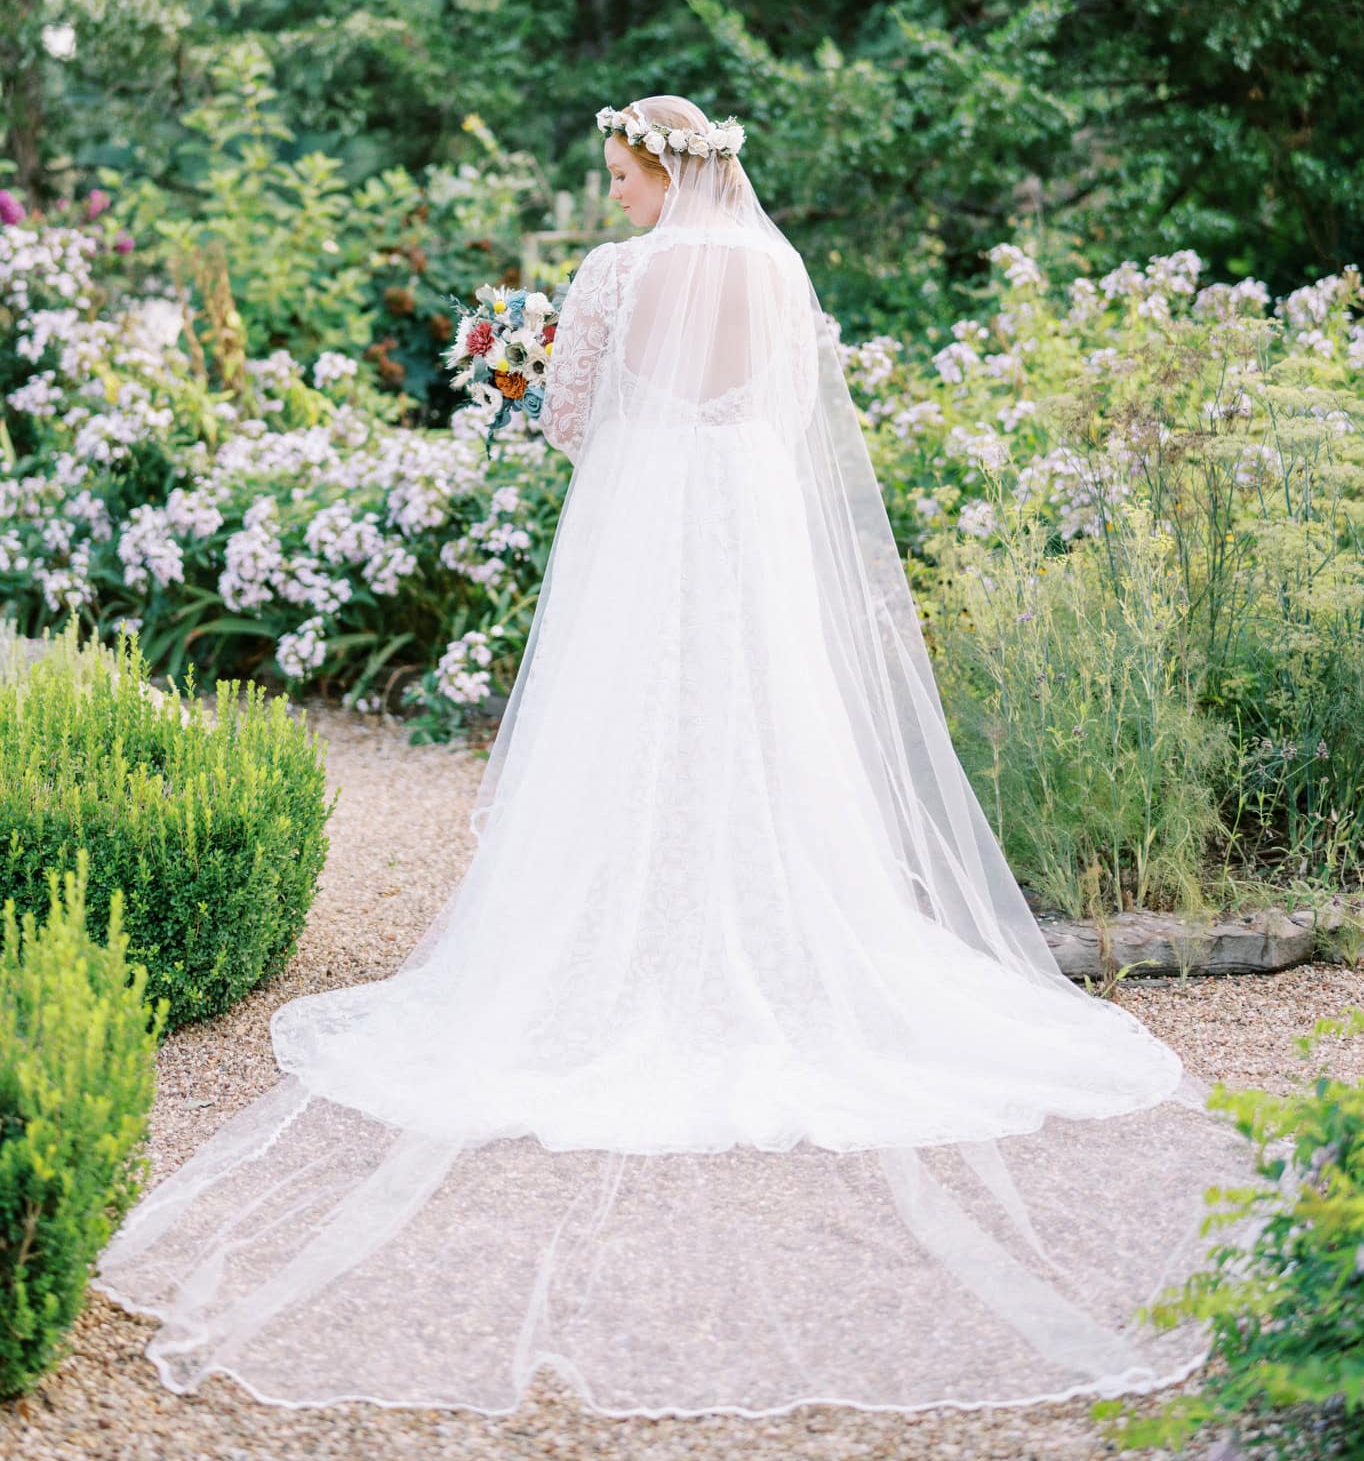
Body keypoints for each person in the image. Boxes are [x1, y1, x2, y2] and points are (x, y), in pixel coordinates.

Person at [96, 96, 1253, 1418]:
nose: (619, 196)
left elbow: (570, 420)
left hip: (645, 525)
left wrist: (639, 426)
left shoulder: (616, 275)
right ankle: (758, 917)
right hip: (748, 521)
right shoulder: (777, 267)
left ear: (658, 167)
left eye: (622, 175)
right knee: (761, 720)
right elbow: (797, 416)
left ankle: (625, 928)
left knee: (635, 716)